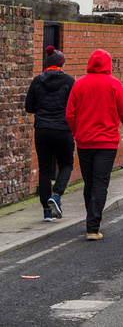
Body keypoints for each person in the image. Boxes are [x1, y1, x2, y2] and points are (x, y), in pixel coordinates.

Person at [66, 49, 123, 240]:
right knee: (100, 183)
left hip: (84, 142)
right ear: (108, 65)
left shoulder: (79, 84)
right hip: (106, 143)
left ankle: (90, 221)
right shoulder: (114, 84)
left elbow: (70, 114)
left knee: (89, 182)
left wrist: (76, 132)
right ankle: (93, 226)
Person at [25, 45, 75, 222]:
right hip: (63, 130)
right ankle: (57, 195)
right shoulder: (70, 82)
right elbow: (75, 108)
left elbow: (29, 107)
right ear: (61, 63)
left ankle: (47, 211)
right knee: (67, 164)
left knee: (45, 169)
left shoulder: (37, 81)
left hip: (42, 131)